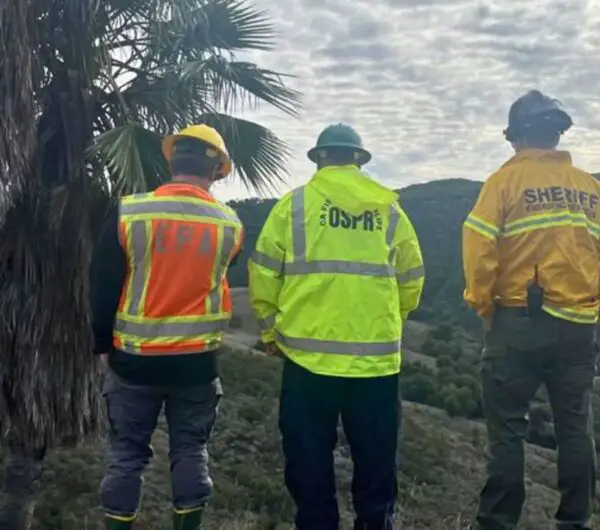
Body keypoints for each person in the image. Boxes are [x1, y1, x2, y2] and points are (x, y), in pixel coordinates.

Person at [463, 89, 600, 530]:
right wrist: (597, 310)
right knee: (575, 429)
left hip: (517, 321)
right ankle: (575, 522)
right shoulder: (595, 191)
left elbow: (479, 250)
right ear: (557, 135)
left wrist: (484, 306)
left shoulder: (503, 183)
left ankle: (499, 523)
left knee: (507, 432)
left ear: (517, 137)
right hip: (577, 326)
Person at [248, 123, 425, 530]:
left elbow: (264, 273)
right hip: (375, 367)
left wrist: (271, 331)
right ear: (359, 160)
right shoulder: (389, 210)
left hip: (307, 363)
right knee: (377, 466)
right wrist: (389, 322)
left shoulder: (294, 206)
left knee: (309, 465)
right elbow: (412, 276)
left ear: (320, 158)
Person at [90, 124, 245, 530]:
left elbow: (103, 283)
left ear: (171, 161)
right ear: (215, 172)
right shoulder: (230, 225)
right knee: (191, 451)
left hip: (133, 360)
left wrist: (102, 346)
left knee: (126, 453)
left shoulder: (130, 212)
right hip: (196, 364)